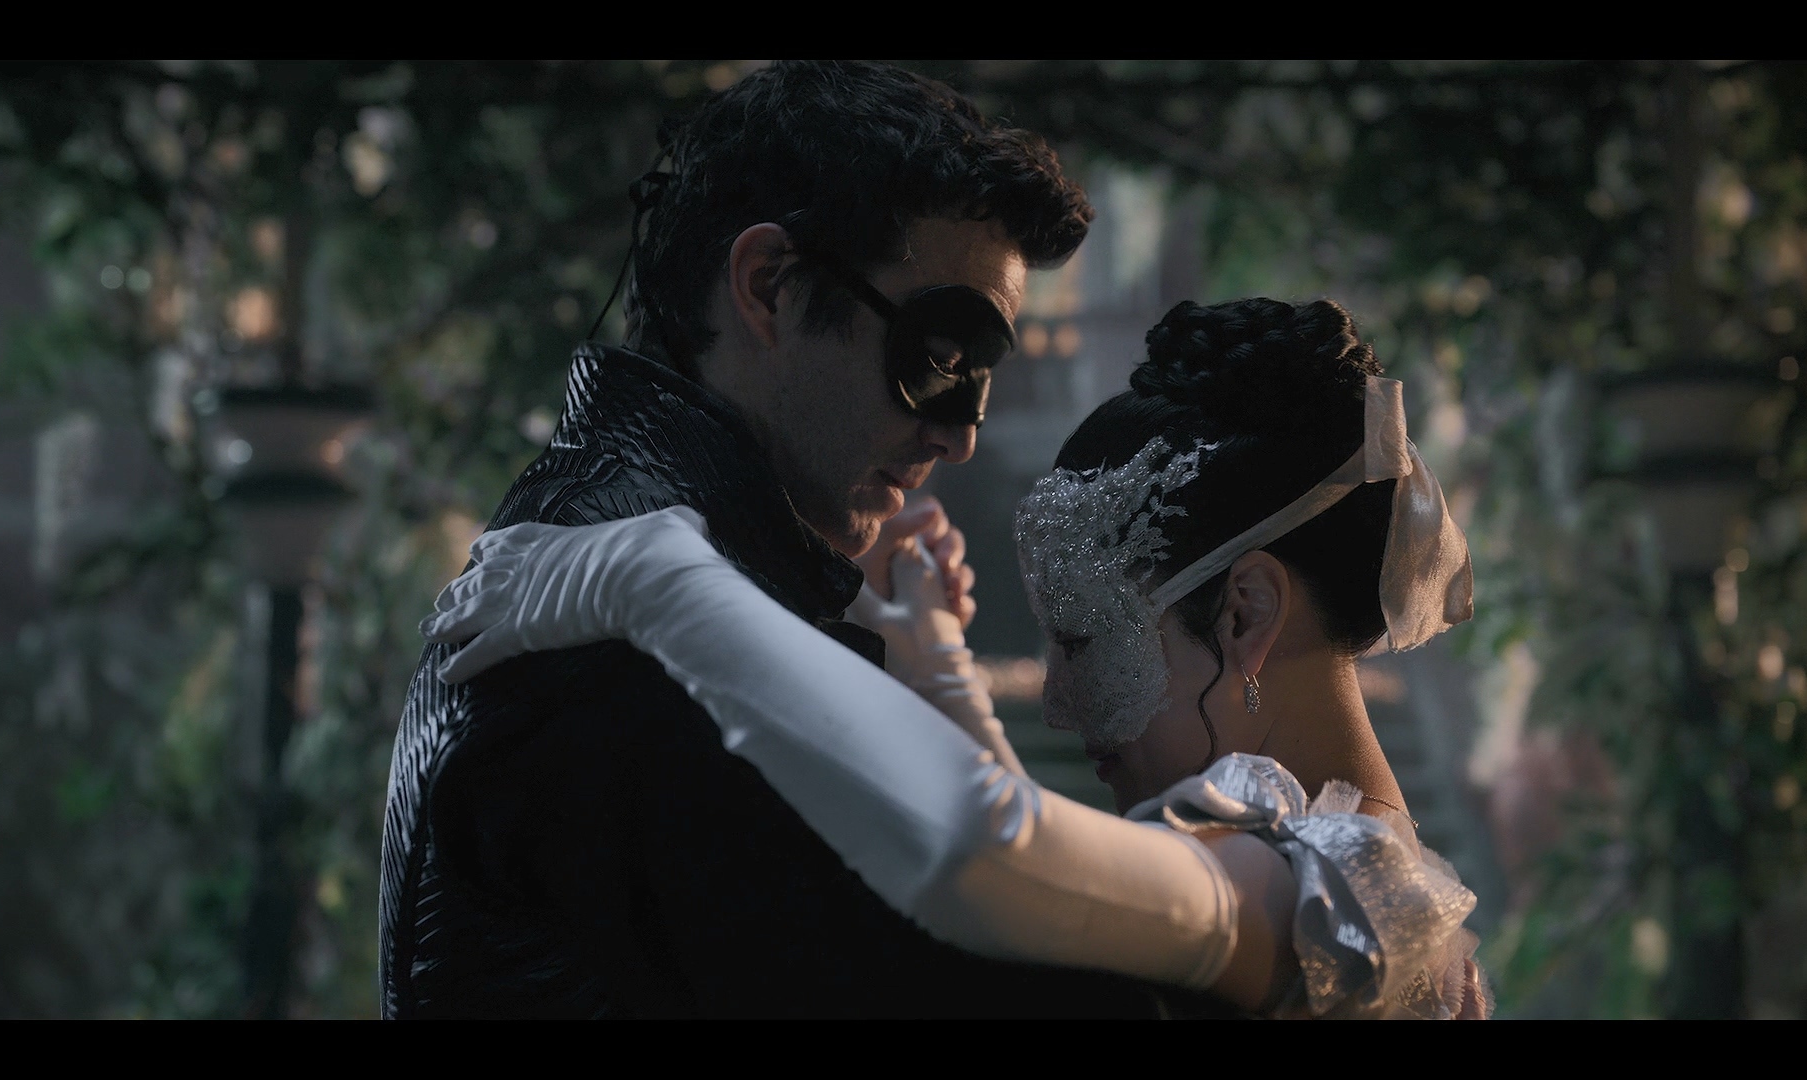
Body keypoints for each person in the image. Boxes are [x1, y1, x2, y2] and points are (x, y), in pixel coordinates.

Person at [378, 60, 1234, 1017]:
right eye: (938, 356)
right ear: (770, 286)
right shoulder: (632, 636)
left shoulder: (598, 560)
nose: (959, 436)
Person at [424, 298, 1491, 1018]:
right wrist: (929, 656)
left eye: (1087, 639)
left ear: (1246, 611)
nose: (1060, 703)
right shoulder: (1321, 875)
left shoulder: (1368, 901)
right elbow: (1052, 908)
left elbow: (989, 860)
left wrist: (661, 585)